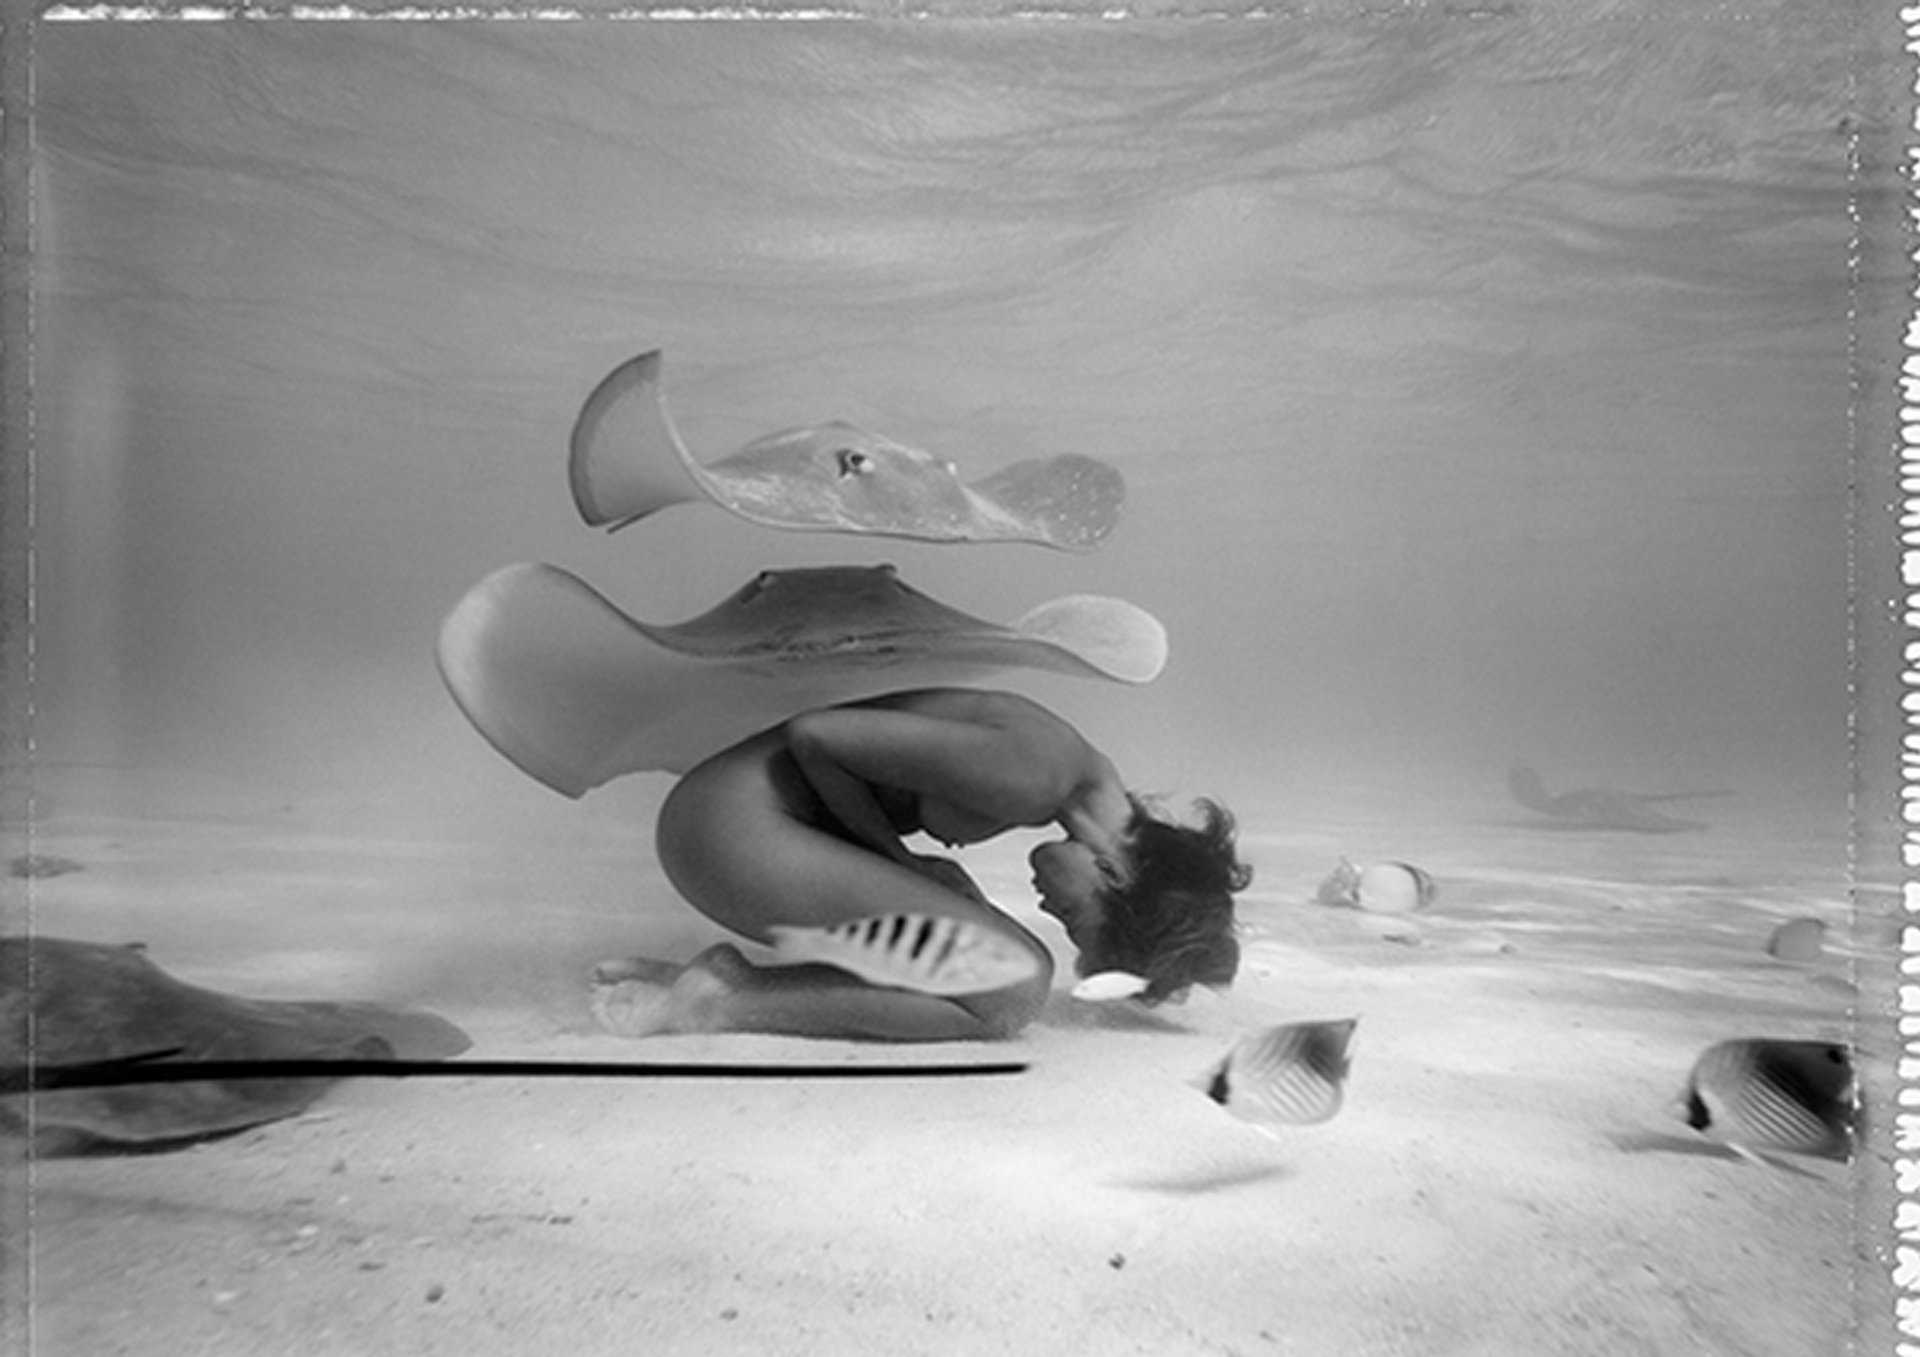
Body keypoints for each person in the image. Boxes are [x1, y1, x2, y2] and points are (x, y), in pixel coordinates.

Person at [590, 687, 1251, 1042]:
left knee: (994, 956)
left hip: (740, 826)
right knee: (1014, 990)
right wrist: (898, 860)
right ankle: (724, 1000)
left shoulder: (1072, 774)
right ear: (1116, 875)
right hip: (727, 829)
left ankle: (723, 986)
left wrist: (912, 874)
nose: (1050, 908)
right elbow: (816, 734)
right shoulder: (1038, 773)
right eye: (1073, 916)